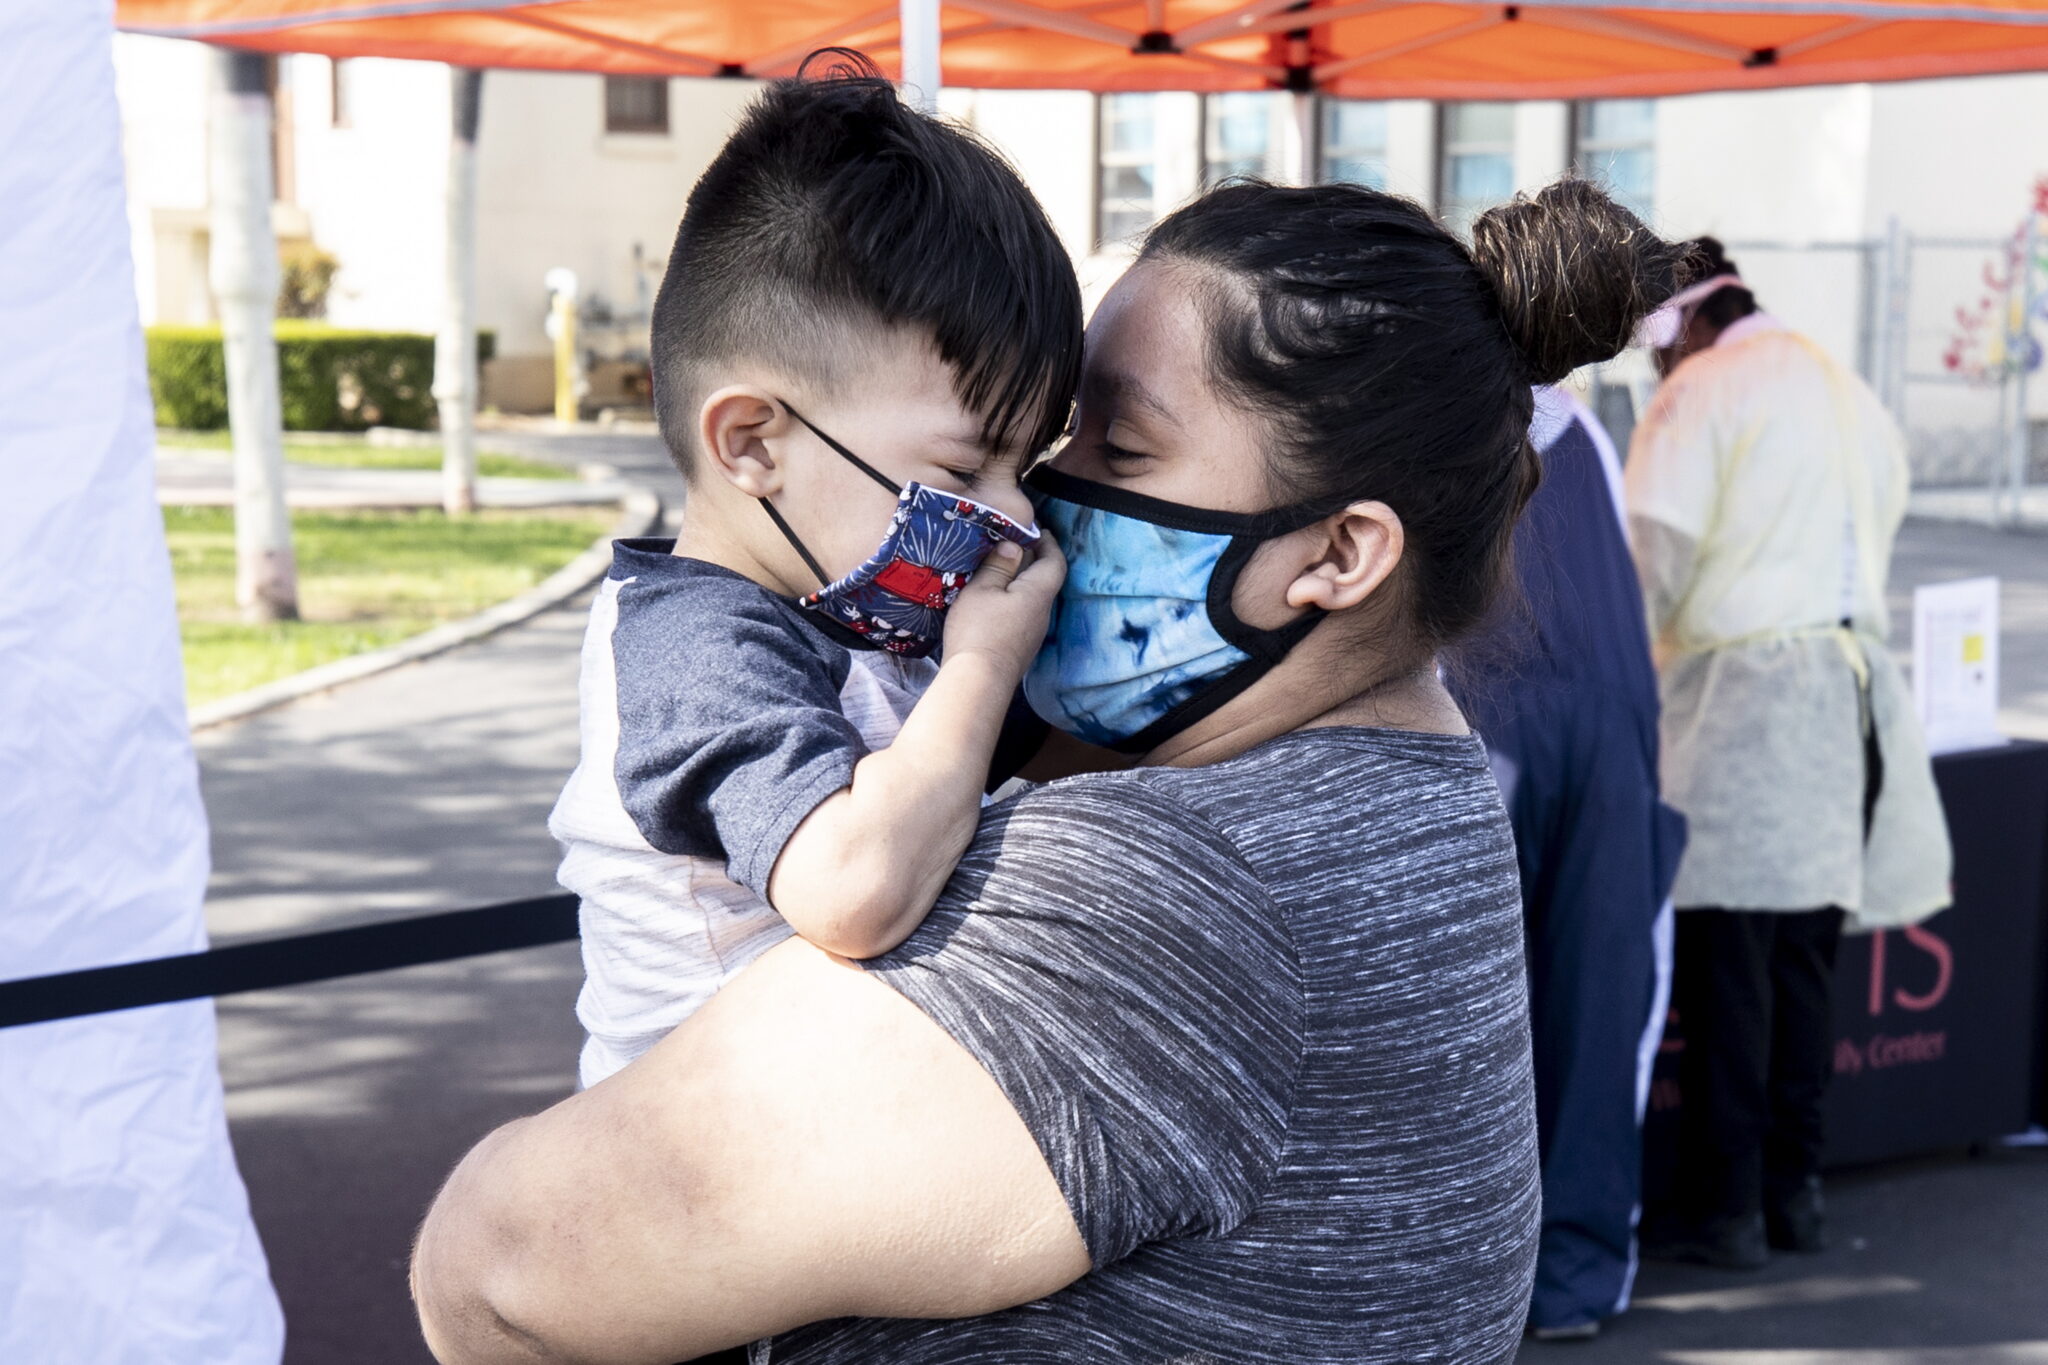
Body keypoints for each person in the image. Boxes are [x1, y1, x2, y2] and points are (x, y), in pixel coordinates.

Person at [411, 176, 1684, 1365]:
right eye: (1041, 443)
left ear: (1340, 556)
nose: (1032, 509)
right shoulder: (1420, 783)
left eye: (1115, 455)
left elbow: (496, 1269)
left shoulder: (1169, 893)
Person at [546, 58, 1081, 1090]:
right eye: (965, 469)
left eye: (1026, 466)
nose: (1009, 515)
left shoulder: (857, 606)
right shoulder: (687, 648)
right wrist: (979, 666)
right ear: (751, 444)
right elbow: (851, 889)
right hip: (698, 1181)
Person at [1627, 240, 1952, 1269]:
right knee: (1804, 960)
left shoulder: (1707, 388)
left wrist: (1625, 672)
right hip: (1847, 695)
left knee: (1731, 967)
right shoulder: (1842, 385)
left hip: (1744, 704)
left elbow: (1652, 553)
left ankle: (1723, 1207)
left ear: (1678, 323)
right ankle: (1790, 1194)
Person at [1455, 386, 1686, 1340]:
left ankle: (1481, 1282)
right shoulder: (1583, 426)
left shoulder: (1431, 396)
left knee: (1467, 1014)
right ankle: (1572, 1276)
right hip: (1595, 723)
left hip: (1484, 718)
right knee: (1598, 1003)